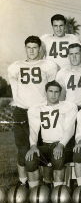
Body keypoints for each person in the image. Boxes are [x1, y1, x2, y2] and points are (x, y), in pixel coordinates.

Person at [8, 36, 58, 186]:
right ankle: (23, 182)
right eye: (28, 47)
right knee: (23, 147)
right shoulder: (15, 66)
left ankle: (47, 180)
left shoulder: (48, 65)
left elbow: (51, 89)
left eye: (34, 47)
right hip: (22, 110)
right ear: (25, 48)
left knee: (45, 146)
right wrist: (19, 104)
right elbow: (14, 89)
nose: (31, 50)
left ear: (40, 49)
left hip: (42, 110)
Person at [25, 81, 77, 188]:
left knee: (58, 157)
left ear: (60, 93)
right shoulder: (36, 108)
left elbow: (70, 129)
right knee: (30, 159)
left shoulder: (68, 107)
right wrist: (33, 146)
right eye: (51, 91)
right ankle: (35, 193)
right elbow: (34, 129)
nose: (53, 95)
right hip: (45, 145)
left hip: (62, 145)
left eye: (56, 92)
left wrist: (61, 144)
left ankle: (58, 193)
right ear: (46, 92)